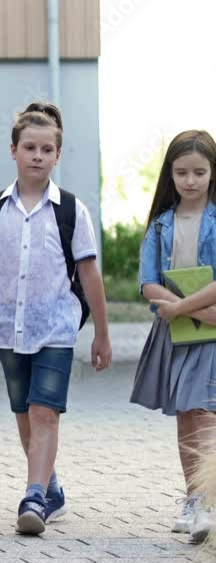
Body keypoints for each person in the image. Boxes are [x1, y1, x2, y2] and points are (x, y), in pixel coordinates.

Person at [0, 102, 112, 536]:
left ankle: (34, 496)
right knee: (24, 413)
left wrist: (102, 334)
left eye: (46, 149)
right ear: (13, 150)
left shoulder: (71, 209)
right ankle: (51, 487)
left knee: (45, 413)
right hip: (7, 329)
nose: (37, 156)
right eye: (29, 147)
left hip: (56, 327)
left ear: (57, 154)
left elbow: (89, 274)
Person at [130, 129, 216, 545]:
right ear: (170, 174)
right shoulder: (161, 225)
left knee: (206, 412)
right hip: (179, 333)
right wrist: (192, 311)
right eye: (181, 172)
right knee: (186, 415)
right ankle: (194, 497)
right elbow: (148, 283)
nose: (190, 180)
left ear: (213, 173)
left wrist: (182, 307)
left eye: (199, 172)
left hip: (209, 339)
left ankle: (208, 500)